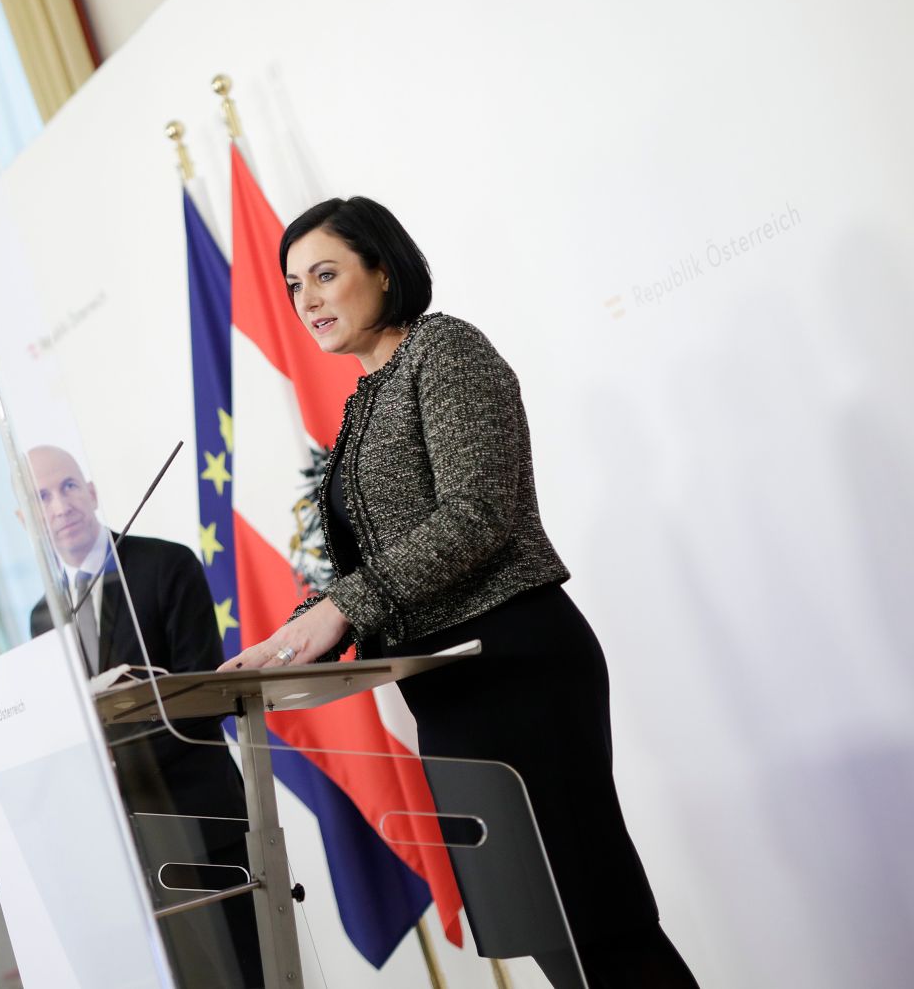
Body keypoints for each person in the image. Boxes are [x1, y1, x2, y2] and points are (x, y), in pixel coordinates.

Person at [222, 197, 698, 988]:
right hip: (450, 690)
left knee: (597, 923)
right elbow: (377, 561)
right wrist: (290, 637)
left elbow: (478, 513)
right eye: (293, 283)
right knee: (544, 927)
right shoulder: (363, 400)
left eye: (326, 274)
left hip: (517, 667)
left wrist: (342, 609)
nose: (307, 300)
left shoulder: (447, 351)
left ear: (383, 268)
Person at [26, 445, 264, 988]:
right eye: (42, 497)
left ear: (91, 491)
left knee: (251, 973)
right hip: (127, 841)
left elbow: (203, 695)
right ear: (26, 519)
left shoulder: (166, 565)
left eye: (67, 487)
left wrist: (116, 761)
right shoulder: (43, 616)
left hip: (201, 820)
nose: (60, 506)